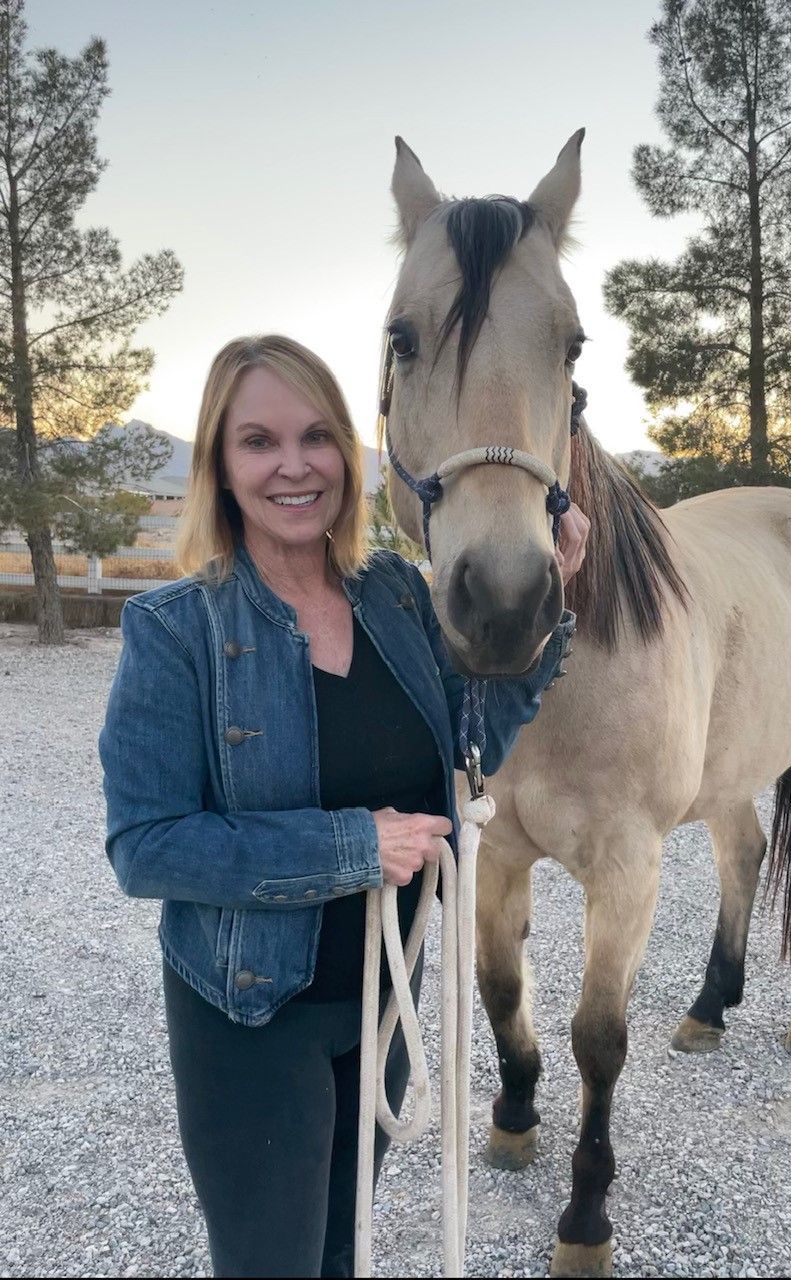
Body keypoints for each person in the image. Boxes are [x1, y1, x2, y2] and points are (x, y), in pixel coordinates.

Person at [98, 334, 588, 1278]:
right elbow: (146, 847)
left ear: (350, 454)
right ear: (220, 464)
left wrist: (549, 606)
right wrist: (350, 850)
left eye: (317, 436)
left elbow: (476, 730)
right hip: (252, 1016)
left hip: (380, 1004)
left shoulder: (396, 595)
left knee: (341, 1249)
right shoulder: (175, 630)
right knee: (270, 1262)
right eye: (258, 441)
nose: (294, 465)